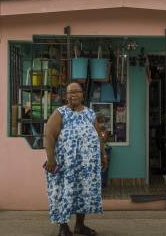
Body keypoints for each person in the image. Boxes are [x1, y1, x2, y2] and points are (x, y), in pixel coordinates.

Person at [44, 82, 103, 236]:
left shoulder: (90, 114)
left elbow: (98, 135)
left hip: (87, 165)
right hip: (66, 164)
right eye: (70, 92)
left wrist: (103, 154)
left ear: (83, 94)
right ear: (66, 95)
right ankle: (63, 227)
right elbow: (49, 136)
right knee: (64, 192)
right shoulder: (60, 113)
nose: (73, 95)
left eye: (76, 91)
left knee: (83, 192)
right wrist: (50, 159)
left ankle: (80, 225)